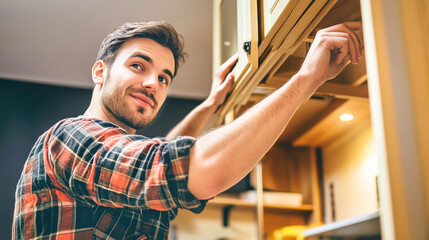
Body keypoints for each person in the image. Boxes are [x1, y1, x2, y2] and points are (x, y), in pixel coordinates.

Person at [12, 20, 363, 239]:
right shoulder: (70, 138)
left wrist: (211, 104)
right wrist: (306, 79)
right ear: (100, 72)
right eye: (138, 66)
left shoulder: (107, 156)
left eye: (164, 77)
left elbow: (157, 154)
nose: (153, 83)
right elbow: (184, 168)